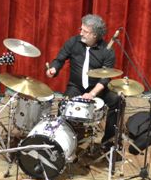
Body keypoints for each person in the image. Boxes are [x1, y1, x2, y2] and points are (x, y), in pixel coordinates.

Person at [46, 14, 121, 147]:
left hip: (97, 88)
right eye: (81, 29)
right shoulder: (73, 42)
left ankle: (109, 142)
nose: (81, 33)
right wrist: (53, 69)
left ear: (95, 35)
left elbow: (105, 77)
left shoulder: (107, 51)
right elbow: (59, 59)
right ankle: (63, 141)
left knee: (116, 100)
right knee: (64, 105)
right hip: (76, 86)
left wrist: (92, 93)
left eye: (85, 31)